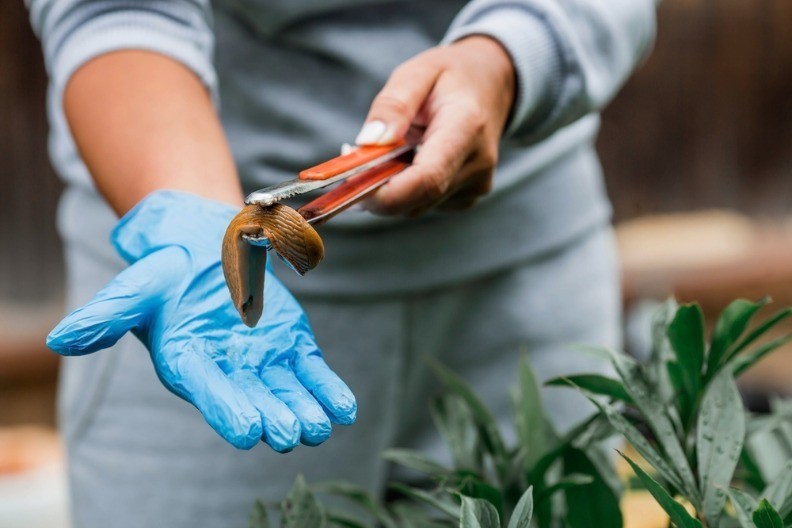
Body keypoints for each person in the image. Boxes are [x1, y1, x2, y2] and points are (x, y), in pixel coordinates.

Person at [27, 0, 657, 526]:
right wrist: (189, 217)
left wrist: (511, 56)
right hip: (199, 268)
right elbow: (116, 14)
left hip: (525, 273)